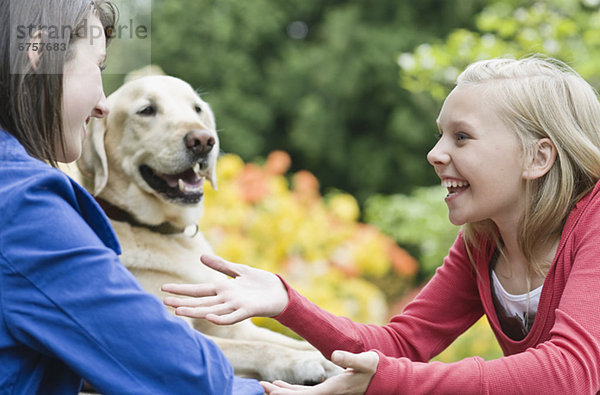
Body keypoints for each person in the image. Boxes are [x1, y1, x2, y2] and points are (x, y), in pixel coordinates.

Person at [163, 55, 600, 394]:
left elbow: (568, 375)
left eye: (461, 137)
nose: (435, 153)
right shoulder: (484, 241)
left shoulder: (594, 223)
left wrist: (394, 380)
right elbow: (401, 345)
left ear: (538, 158)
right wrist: (286, 302)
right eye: (440, 135)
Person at [0, 0, 264, 393]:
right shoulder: (23, 205)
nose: (102, 102)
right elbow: (180, 372)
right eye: (98, 67)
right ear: (39, 51)